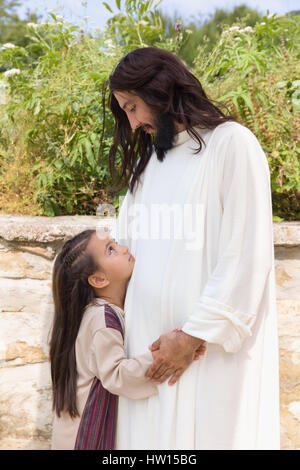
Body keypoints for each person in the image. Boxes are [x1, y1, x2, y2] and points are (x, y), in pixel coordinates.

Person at [107, 47, 280, 450]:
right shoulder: (150, 163)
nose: (133, 124)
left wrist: (191, 336)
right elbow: (125, 248)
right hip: (149, 355)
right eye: (125, 112)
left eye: (133, 107)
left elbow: (247, 255)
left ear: (161, 89)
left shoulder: (232, 144)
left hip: (207, 357)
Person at [49, 229, 205, 450]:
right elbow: (115, 374)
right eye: (111, 250)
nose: (123, 249)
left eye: (116, 243)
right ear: (99, 279)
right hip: (84, 438)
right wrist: (163, 356)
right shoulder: (102, 318)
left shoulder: (95, 313)